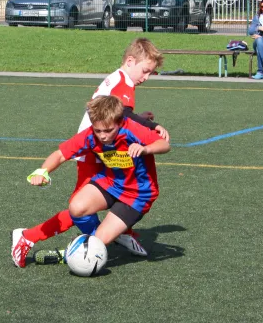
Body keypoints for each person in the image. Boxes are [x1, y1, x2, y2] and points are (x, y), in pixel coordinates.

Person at [12, 38, 169, 268]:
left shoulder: (118, 80)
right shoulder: (123, 85)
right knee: (79, 207)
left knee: (116, 186)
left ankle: (114, 234)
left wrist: (140, 122)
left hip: (100, 150)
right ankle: (30, 237)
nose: (146, 77)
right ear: (130, 61)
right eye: (145, 71)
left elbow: (122, 116)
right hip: (91, 152)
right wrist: (152, 127)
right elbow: (122, 114)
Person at [27, 95, 170, 251]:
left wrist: (146, 149)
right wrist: (42, 171)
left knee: (97, 242)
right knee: (77, 208)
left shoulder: (133, 129)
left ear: (120, 122)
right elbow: (60, 154)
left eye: (108, 130)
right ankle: (93, 247)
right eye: (98, 130)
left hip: (138, 194)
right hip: (110, 183)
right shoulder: (90, 135)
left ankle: (81, 250)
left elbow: (164, 144)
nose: (102, 135)